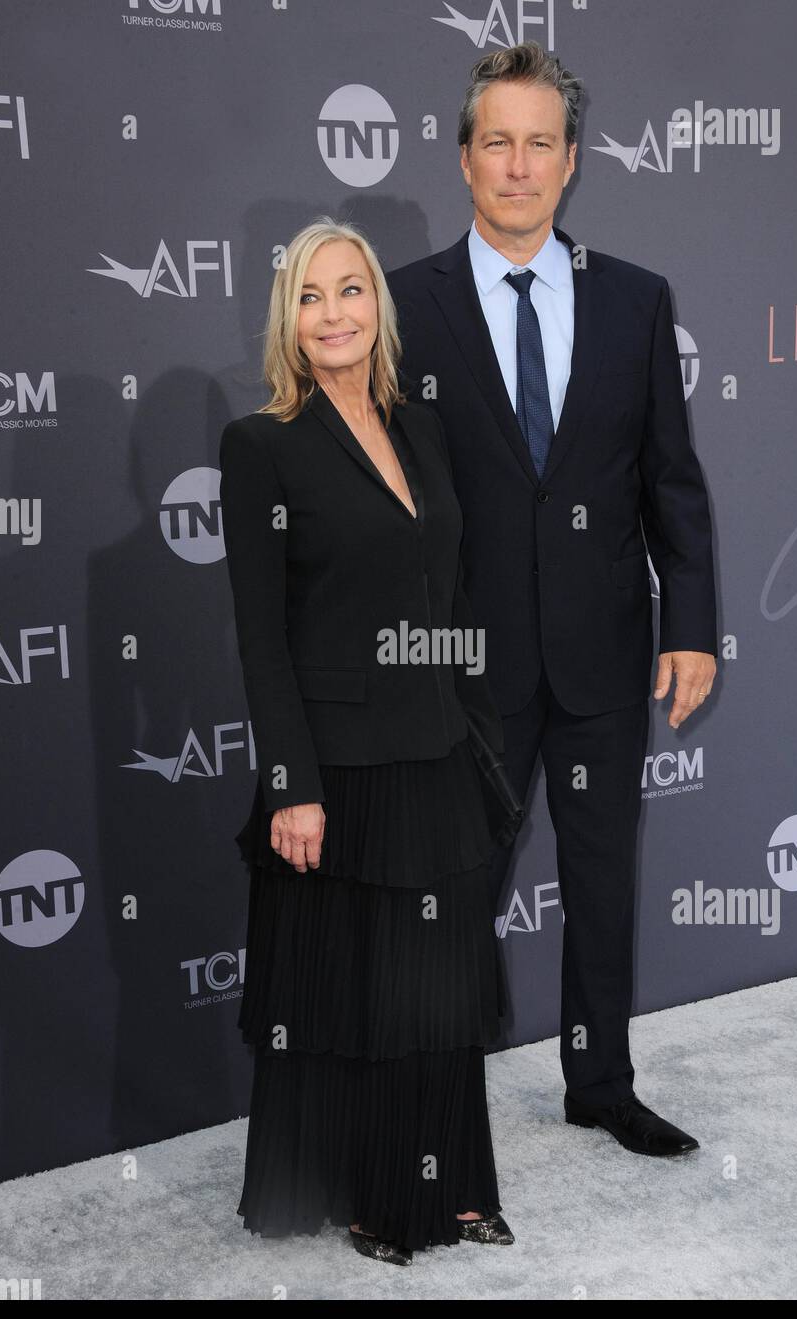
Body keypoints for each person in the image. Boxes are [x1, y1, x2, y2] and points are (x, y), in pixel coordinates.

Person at [387, 42, 718, 1157]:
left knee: (600, 883)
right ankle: (428, 1105)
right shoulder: (398, 309)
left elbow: (671, 481)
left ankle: (602, 1082)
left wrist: (692, 632)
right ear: (464, 158)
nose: (518, 166)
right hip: (462, 667)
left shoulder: (632, 300)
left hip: (603, 656)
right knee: (451, 899)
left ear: (572, 162)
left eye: (540, 144)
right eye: (498, 143)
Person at [219, 216, 518, 1265]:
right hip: (337, 767)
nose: (334, 313)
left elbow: (448, 582)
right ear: (287, 319)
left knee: (436, 986)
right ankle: (373, 1194)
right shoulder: (260, 446)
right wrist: (291, 784)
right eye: (310, 296)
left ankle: (455, 1187)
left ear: (376, 308)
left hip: (434, 748)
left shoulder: (418, 426)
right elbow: (261, 632)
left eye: (350, 291)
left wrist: (473, 721)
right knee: (353, 994)